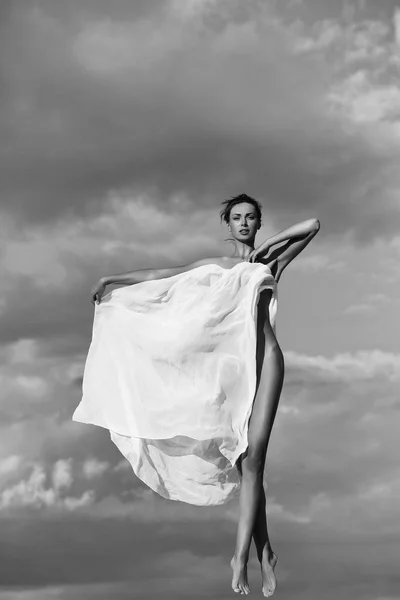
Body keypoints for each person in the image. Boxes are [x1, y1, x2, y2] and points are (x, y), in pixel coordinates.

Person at [75, 193, 320, 597]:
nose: (243, 223)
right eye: (237, 218)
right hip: (234, 372)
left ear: (258, 223)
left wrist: (263, 248)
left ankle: (241, 557)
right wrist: (112, 280)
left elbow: (311, 224)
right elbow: (162, 274)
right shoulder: (217, 266)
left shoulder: (269, 264)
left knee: (255, 459)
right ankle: (263, 554)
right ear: (227, 224)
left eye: (250, 218)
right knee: (246, 463)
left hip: (268, 361)